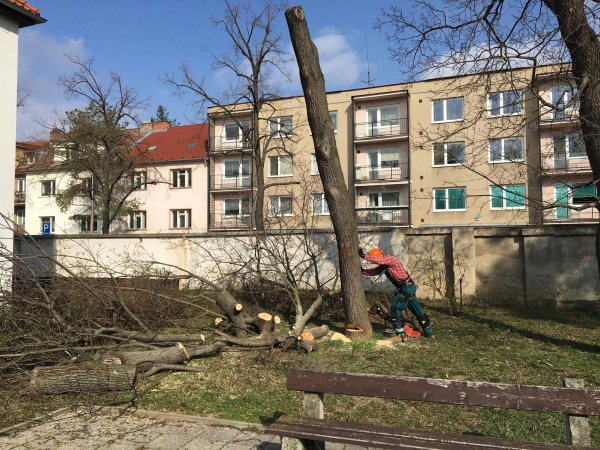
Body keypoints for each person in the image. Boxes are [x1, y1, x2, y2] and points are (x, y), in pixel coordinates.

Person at [359, 247, 433, 339]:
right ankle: (428, 331)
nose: (377, 261)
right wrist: (363, 271)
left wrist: (364, 256)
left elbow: (379, 260)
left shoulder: (392, 259)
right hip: (406, 288)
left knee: (395, 309)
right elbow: (373, 271)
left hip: (407, 288)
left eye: (376, 258)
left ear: (381, 255)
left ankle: (400, 332)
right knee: (416, 309)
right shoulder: (384, 266)